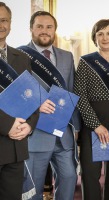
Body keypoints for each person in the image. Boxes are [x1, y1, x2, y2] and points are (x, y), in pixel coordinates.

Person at [20, 11, 80, 200]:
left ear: (55, 30)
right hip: (36, 134)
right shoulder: (19, 54)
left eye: (49, 27)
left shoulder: (67, 56)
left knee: (69, 177)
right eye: (39, 26)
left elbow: (71, 91)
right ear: (31, 29)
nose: (44, 31)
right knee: (34, 187)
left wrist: (76, 126)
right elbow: (17, 94)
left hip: (64, 135)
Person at [74, 19, 109, 200]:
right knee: (90, 174)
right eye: (100, 34)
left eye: (108, 33)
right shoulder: (86, 62)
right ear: (95, 38)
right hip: (92, 124)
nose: (104, 37)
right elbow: (79, 95)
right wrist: (95, 125)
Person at [0, 2, 39, 200]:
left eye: (4, 20)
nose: (0, 25)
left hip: (16, 147)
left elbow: (31, 98)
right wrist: (8, 124)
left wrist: (30, 126)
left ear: (10, 24)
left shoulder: (22, 58)